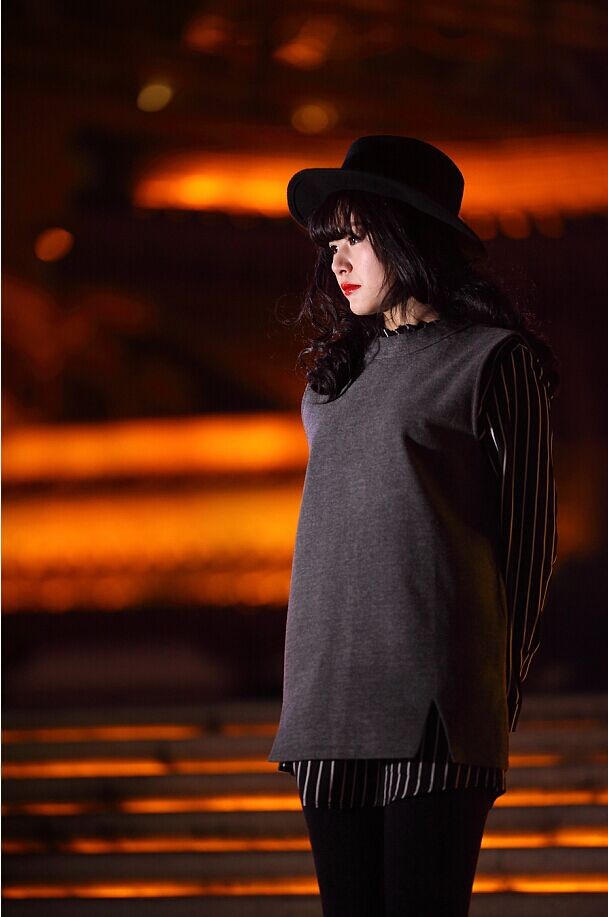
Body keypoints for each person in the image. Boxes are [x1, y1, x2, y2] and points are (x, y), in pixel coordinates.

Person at [267, 135, 560, 916]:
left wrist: (492, 702)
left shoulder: (495, 362)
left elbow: (529, 548)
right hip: (326, 706)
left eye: (356, 236)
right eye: (330, 241)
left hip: (436, 711)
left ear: (409, 234)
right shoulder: (327, 384)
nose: (337, 259)